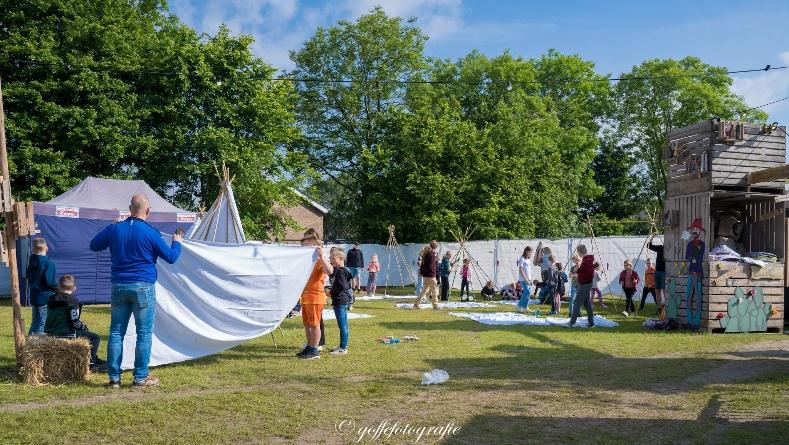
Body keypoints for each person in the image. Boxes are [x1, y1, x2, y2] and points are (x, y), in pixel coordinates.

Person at [89, 194, 182, 388]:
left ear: (129, 209)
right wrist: (177, 241)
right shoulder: (151, 232)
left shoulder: (115, 229)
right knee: (144, 334)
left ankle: (114, 378)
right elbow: (172, 258)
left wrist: (112, 225)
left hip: (119, 286)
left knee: (116, 333)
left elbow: (94, 245)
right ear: (148, 211)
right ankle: (140, 377)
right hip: (143, 287)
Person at [44, 275, 105, 370]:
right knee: (95, 337)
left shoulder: (51, 298)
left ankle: (95, 358)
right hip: (66, 333)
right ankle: (92, 363)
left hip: (51, 332)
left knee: (87, 334)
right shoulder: (72, 301)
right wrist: (83, 327)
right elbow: (74, 322)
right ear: (74, 288)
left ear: (59, 286)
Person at [296, 229, 327, 360]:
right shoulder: (306, 260)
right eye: (303, 241)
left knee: (314, 325)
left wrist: (322, 256)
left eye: (307, 241)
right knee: (308, 324)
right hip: (306, 297)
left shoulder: (319, 259)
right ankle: (309, 347)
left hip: (315, 296)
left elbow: (329, 270)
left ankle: (314, 350)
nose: (304, 244)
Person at [25, 238, 58, 336]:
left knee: (35, 322)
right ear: (46, 248)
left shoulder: (31, 261)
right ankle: (36, 348)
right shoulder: (48, 263)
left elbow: (28, 276)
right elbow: (50, 281)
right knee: (42, 324)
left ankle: (29, 344)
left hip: (34, 296)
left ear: (33, 249)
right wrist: (58, 288)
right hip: (45, 297)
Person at [327, 248, 352, 355]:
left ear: (341, 258)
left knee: (342, 325)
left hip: (340, 301)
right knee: (344, 325)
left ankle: (343, 348)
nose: (331, 260)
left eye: (333, 258)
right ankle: (342, 345)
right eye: (330, 258)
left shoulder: (341, 271)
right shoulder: (341, 270)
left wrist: (331, 292)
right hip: (341, 300)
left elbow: (343, 286)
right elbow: (331, 274)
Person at [569, 244, 595, 328]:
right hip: (585, 283)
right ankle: (591, 322)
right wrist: (579, 270)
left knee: (577, 302)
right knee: (587, 303)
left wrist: (578, 271)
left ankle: (572, 322)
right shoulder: (587, 260)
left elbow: (588, 273)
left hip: (585, 284)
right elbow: (586, 271)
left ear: (579, 252)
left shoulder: (587, 260)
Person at [413, 241, 440, 310]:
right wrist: (433, 272)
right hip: (431, 276)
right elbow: (431, 265)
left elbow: (423, 264)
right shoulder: (432, 253)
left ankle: (416, 304)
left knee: (424, 291)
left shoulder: (425, 253)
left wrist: (423, 272)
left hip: (425, 276)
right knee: (434, 291)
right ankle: (435, 306)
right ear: (435, 247)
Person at [648, 235, 666, 316]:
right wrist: (652, 237)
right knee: (657, 291)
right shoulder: (660, 247)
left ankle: (664, 309)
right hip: (657, 271)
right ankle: (659, 309)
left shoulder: (670, 249)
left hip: (664, 272)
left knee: (664, 291)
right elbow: (649, 246)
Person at [516, 246, 534, 313]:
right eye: (530, 252)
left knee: (528, 293)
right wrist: (526, 279)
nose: (531, 253)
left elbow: (528, 270)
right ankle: (519, 306)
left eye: (532, 252)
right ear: (526, 251)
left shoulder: (528, 259)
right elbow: (521, 270)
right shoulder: (522, 259)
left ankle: (525, 307)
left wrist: (530, 279)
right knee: (527, 292)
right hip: (523, 279)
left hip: (528, 279)